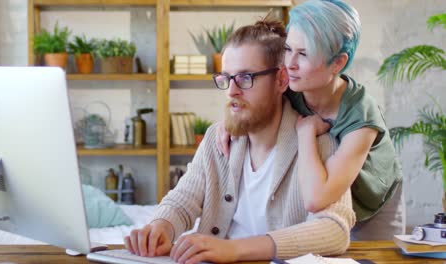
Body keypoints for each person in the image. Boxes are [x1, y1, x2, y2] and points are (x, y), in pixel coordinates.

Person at [124, 18, 355, 263]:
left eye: (245, 78)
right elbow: (182, 201)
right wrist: (161, 226)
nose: (232, 91)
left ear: (281, 80)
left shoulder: (318, 143)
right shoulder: (217, 138)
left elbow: (334, 229)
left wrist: (234, 249)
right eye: (226, 78)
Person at [216, 0, 404, 240]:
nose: (290, 64)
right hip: (325, 198)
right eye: (288, 49)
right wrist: (229, 123)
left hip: (371, 203)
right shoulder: (293, 85)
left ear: (338, 63)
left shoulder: (361, 117)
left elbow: (316, 199)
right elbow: (250, 102)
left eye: (304, 54)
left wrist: (305, 133)